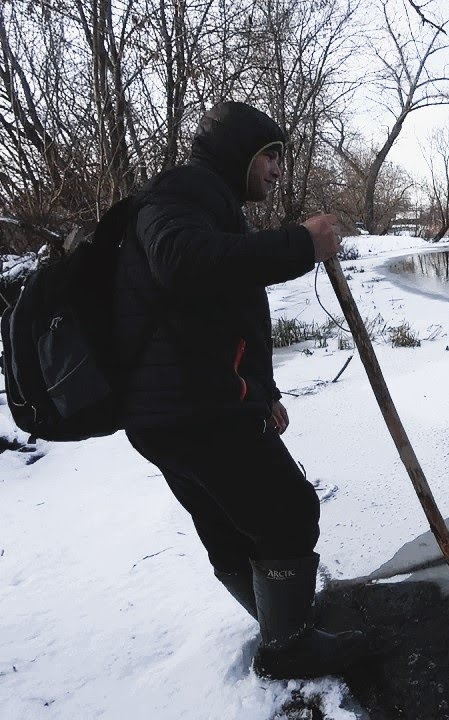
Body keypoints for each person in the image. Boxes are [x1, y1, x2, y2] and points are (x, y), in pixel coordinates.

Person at [114, 100, 368, 679]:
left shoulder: (208, 203)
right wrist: (301, 244)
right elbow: (186, 263)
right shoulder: (180, 195)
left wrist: (262, 391)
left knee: (231, 525)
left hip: (172, 409)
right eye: (271, 156)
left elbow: (222, 313)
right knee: (288, 514)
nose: (279, 170)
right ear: (239, 153)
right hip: (193, 409)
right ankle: (289, 647)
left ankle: (281, 621)